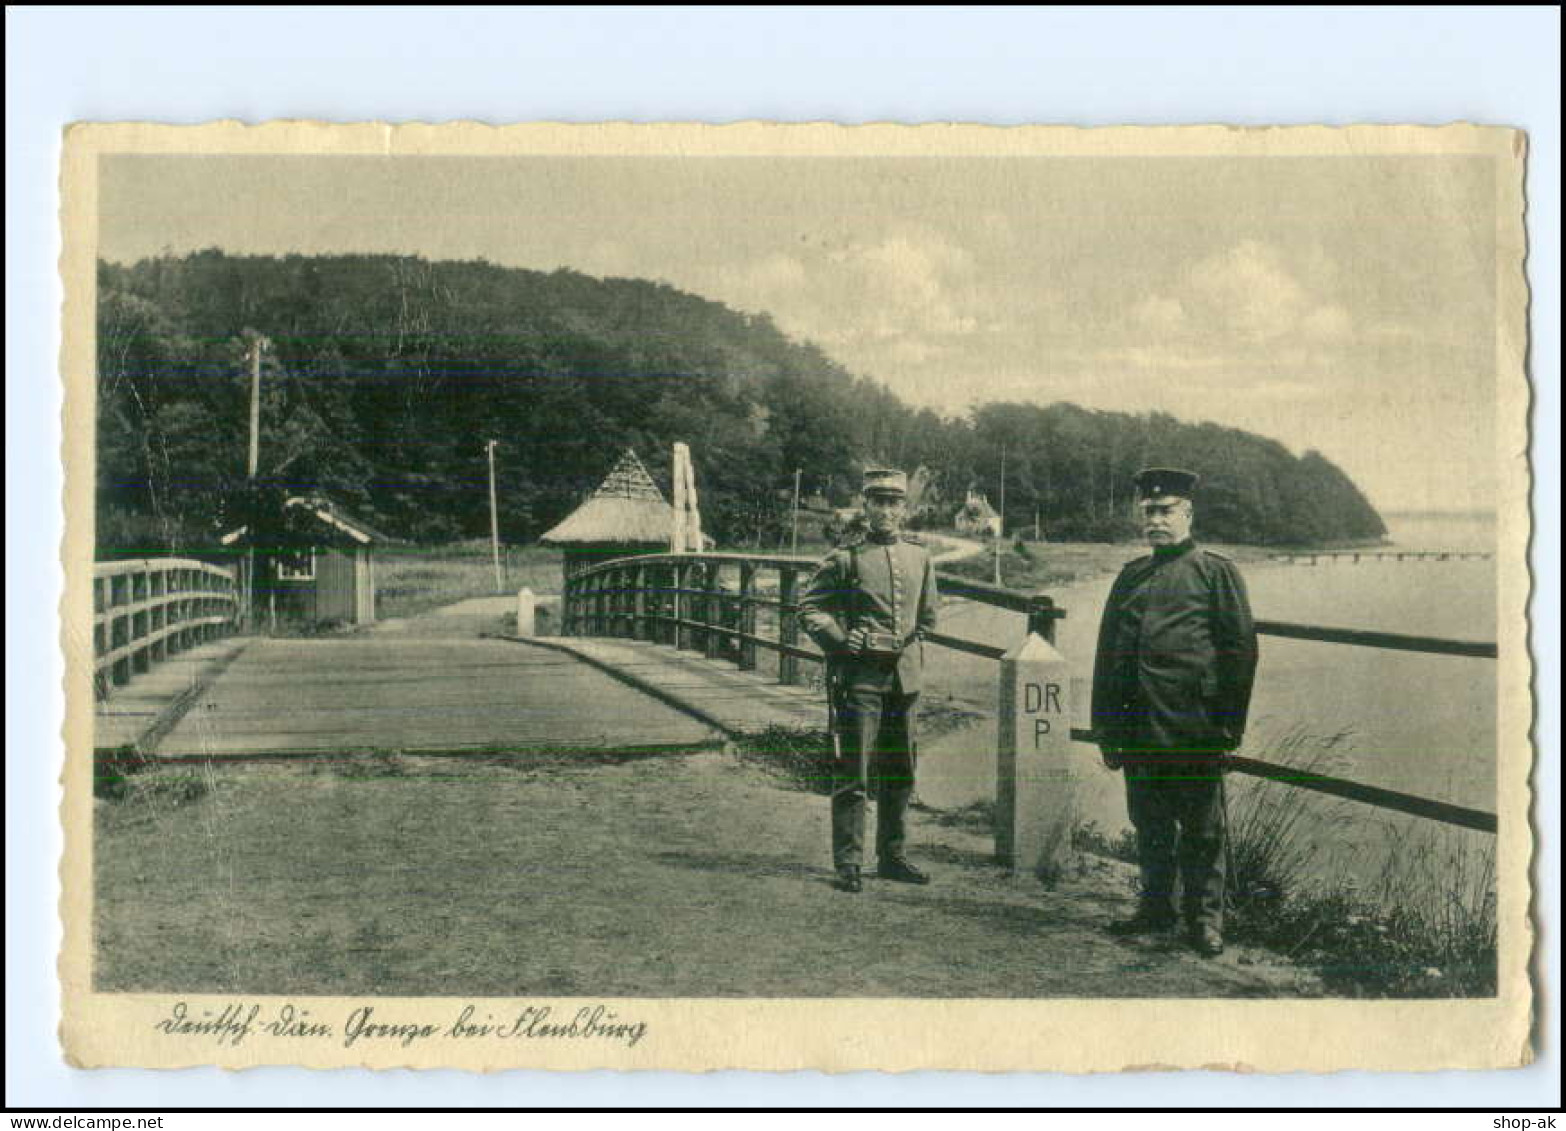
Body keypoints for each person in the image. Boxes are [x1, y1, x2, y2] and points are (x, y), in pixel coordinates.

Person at [1090, 468, 1259, 956]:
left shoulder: (1215, 571)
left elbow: (1240, 652)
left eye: (1166, 511)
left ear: (1188, 514)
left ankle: (1205, 921)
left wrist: (1228, 725)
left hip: (1193, 726)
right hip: (1138, 724)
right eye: (1149, 511)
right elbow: (1107, 655)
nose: (1156, 520)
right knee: (1149, 821)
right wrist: (1106, 727)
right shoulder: (1131, 576)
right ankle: (1155, 908)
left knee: (1203, 829)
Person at [799, 468, 940, 893]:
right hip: (861, 680)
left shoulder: (920, 557)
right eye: (878, 502)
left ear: (905, 509)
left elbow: (929, 618)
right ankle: (849, 861)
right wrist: (843, 641)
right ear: (866, 506)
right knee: (855, 771)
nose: (887, 511)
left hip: (906, 683)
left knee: (901, 771)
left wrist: (909, 645)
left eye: (894, 502)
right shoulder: (847, 557)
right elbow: (809, 608)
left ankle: (892, 856)